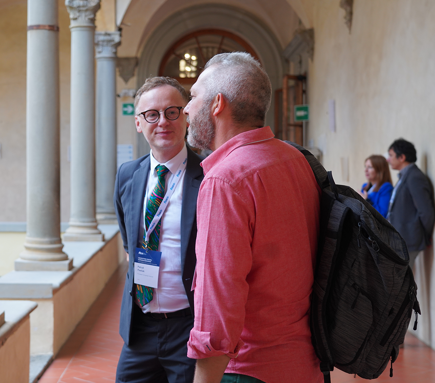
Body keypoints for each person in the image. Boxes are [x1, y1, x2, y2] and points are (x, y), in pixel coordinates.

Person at [183, 52, 322, 383]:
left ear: (217, 104)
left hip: (249, 370)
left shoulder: (225, 180)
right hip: (305, 363)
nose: (186, 109)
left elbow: (217, 306)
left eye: (192, 96)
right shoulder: (295, 159)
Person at [114, 76, 204, 383]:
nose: (162, 121)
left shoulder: (208, 176)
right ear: (139, 123)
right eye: (152, 114)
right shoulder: (127, 175)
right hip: (140, 328)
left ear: (186, 117)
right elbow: (130, 243)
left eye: (172, 111)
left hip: (189, 327)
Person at [386, 138, 435, 269]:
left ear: (402, 157)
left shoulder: (414, 177)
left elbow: (426, 211)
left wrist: (425, 235)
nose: (388, 159)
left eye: (391, 155)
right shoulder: (405, 176)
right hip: (401, 239)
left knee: (401, 284)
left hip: (409, 240)